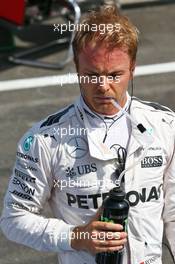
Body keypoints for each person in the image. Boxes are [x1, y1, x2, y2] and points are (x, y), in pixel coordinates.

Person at [1, 5, 175, 264]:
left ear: (133, 68)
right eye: (92, 75)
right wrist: (76, 237)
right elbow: (13, 219)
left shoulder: (165, 125)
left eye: (115, 75)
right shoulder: (44, 140)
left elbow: (172, 211)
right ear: (76, 67)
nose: (103, 86)